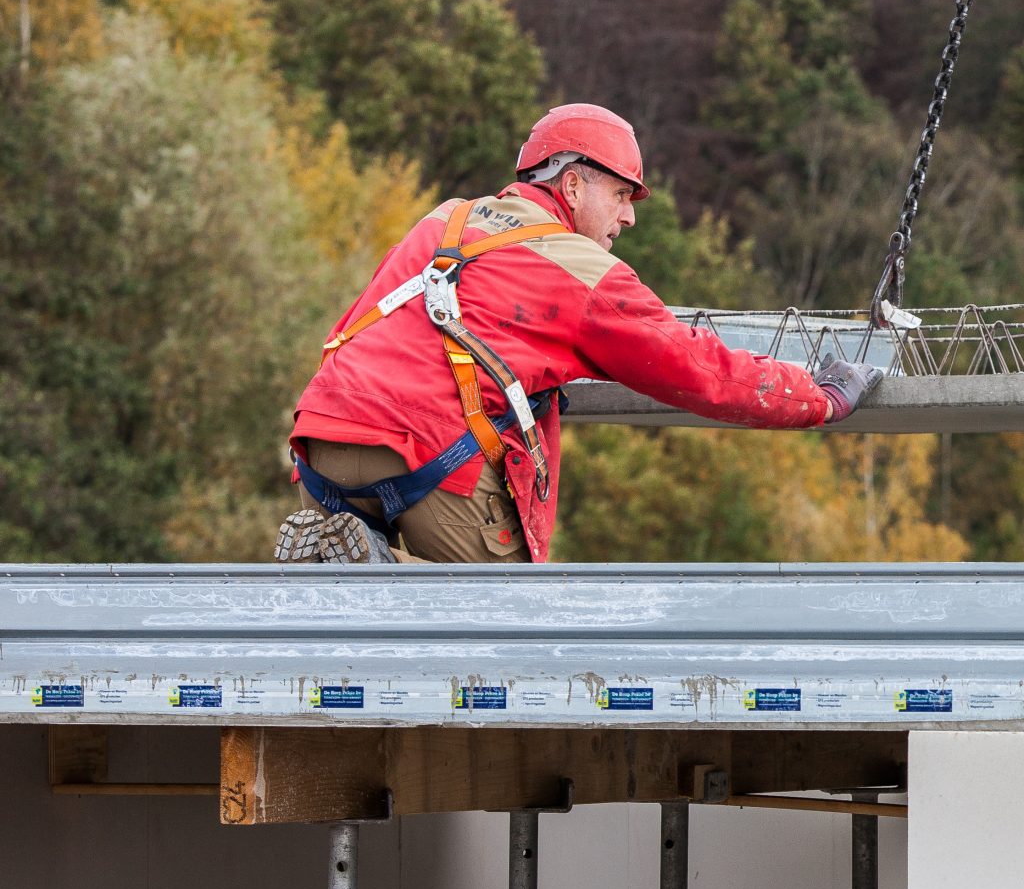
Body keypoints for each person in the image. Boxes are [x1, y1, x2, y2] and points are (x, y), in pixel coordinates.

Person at [274, 103, 880, 565]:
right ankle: (383, 574)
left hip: (323, 444)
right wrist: (817, 397)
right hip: (432, 462)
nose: (629, 216)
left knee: (354, 655)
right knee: (506, 652)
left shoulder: (445, 220)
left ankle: (360, 567)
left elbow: (377, 324)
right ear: (572, 186)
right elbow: (698, 371)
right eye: (620, 195)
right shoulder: (578, 269)